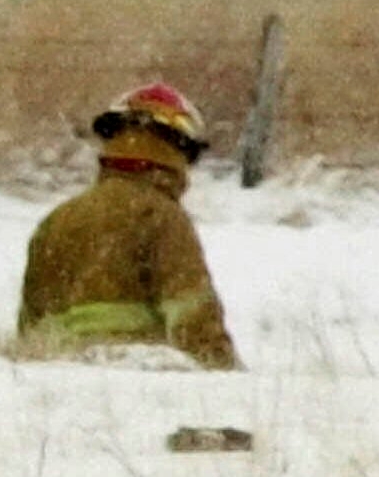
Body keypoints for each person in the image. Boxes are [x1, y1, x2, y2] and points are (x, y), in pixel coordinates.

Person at [18, 82, 240, 370]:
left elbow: (29, 328)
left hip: (60, 381)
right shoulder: (161, 217)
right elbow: (192, 315)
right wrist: (224, 372)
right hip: (135, 383)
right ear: (175, 149)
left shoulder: (57, 219)